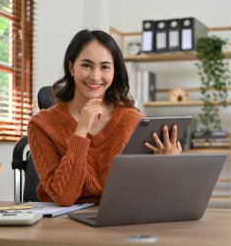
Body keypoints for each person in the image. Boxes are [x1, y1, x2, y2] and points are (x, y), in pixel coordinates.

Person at [28, 29, 182, 206]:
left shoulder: (132, 120)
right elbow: (64, 197)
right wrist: (81, 131)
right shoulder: (41, 125)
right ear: (71, 68)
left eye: (105, 67)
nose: (95, 76)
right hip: (64, 222)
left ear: (114, 71)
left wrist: (169, 164)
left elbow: (147, 193)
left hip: (119, 216)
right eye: (86, 65)